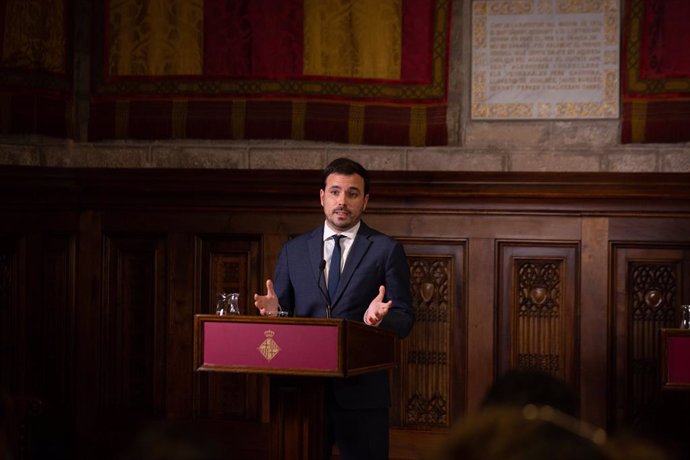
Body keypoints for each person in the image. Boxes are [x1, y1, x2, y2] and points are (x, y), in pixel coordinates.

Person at [254, 157, 415, 459]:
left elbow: (404, 319)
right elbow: (282, 323)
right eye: (335, 192)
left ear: (365, 201)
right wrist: (277, 315)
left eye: (352, 194)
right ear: (322, 197)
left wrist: (380, 319)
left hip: (363, 397)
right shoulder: (294, 250)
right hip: (301, 395)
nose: (343, 201)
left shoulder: (386, 250)